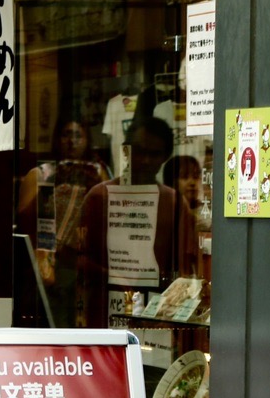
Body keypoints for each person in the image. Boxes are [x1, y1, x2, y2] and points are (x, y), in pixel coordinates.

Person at [78, 115, 200, 328]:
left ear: (165, 157)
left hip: (156, 318)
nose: (145, 160)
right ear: (127, 150)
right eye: (140, 151)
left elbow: (187, 271)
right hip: (103, 314)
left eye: (153, 154)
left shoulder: (174, 203)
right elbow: (75, 259)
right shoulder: (99, 197)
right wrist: (111, 275)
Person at [17, 119, 110, 328]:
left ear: (87, 140)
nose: (72, 141)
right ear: (58, 140)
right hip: (50, 263)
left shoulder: (98, 173)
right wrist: (49, 187)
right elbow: (23, 220)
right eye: (67, 135)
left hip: (84, 265)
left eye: (79, 136)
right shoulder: (40, 174)